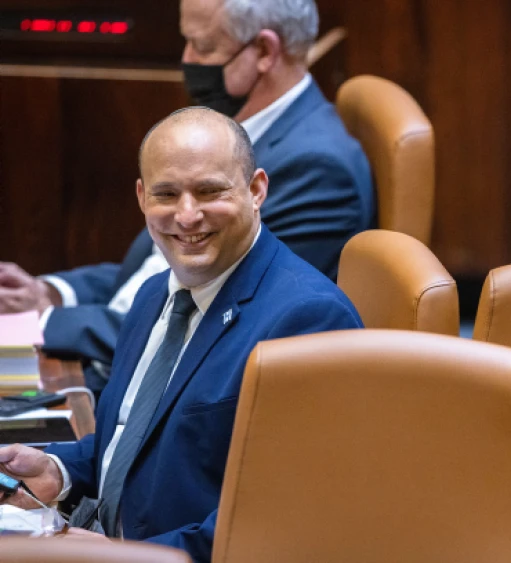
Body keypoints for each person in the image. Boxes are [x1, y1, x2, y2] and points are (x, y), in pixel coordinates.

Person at [0, 107, 363, 562]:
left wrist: (123, 555)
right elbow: (142, 437)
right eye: (166, 194)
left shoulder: (308, 321)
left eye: (209, 191)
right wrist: (60, 470)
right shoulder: (157, 293)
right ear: (141, 197)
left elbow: (288, 521)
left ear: (256, 190)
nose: (187, 216)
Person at [0, 0, 372, 393]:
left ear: (264, 52)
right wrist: (50, 293)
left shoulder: (315, 171)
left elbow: (202, 325)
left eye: (204, 47)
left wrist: (42, 320)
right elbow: (154, 270)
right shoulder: (235, 134)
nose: (186, 60)